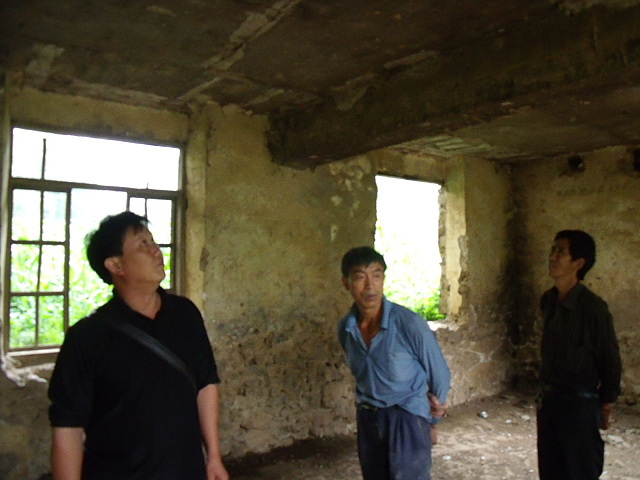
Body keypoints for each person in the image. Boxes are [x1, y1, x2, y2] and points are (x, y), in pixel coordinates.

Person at [48, 211, 229, 480]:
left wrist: (213, 456)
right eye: (142, 244)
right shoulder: (87, 338)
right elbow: (68, 429)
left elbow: (205, 383)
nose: (156, 250)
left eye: (153, 241)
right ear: (116, 265)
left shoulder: (185, 315)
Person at [337, 246, 451, 480]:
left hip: (406, 418)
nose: (370, 286)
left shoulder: (409, 324)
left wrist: (431, 422)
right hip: (368, 418)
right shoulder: (346, 329)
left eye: (376, 276)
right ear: (346, 283)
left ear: (383, 279)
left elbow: (440, 375)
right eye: (360, 277)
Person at [536, 230, 622, 480]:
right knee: (551, 471)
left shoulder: (593, 308)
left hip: (579, 406)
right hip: (549, 402)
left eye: (560, 252)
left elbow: (610, 358)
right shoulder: (548, 300)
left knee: (580, 471)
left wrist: (606, 404)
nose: (552, 257)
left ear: (578, 263)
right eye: (552, 250)